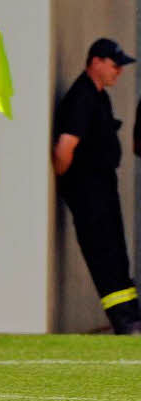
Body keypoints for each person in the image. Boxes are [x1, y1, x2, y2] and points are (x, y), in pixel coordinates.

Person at [54, 38, 141, 334]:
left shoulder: (99, 94)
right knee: (103, 253)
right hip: (89, 192)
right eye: (115, 65)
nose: (119, 71)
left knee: (116, 252)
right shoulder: (83, 96)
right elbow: (64, 150)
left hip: (102, 189)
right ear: (96, 62)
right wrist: (71, 185)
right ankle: (125, 321)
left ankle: (131, 315)